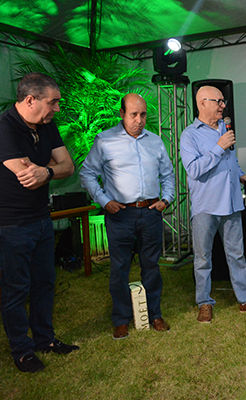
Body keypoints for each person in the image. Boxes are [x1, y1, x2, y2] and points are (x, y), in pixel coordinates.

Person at [0, 72, 78, 373]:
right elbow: (27, 176)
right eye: (52, 102)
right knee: (16, 288)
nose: (57, 108)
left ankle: (45, 339)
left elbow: (67, 166)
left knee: (44, 283)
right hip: (11, 225)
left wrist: (48, 171)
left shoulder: (46, 125)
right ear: (30, 100)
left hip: (41, 219)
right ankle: (22, 350)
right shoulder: (2, 129)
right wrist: (48, 167)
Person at [80, 93, 175, 340]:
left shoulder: (155, 141)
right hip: (120, 214)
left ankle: (154, 315)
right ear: (122, 114)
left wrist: (166, 199)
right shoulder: (105, 141)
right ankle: (121, 319)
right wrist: (104, 201)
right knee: (119, 267)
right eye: (133, 114)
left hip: (151, 212)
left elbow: (168, 174)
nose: (139, 120)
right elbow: (87, 173)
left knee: (151, 266)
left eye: (143, 115)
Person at [180, 85, 246, 323]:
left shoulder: (225, 128)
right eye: (218, 101)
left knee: (237, 255)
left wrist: (240, 174)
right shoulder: (189, 135)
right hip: (206, 206)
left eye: (223, 101)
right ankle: (204, 302)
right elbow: (194, 170)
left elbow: (232, 161)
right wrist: (219, 147)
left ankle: (245, 299)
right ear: (202, 103)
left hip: (231, 203)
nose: (223, 106)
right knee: (203, 258)